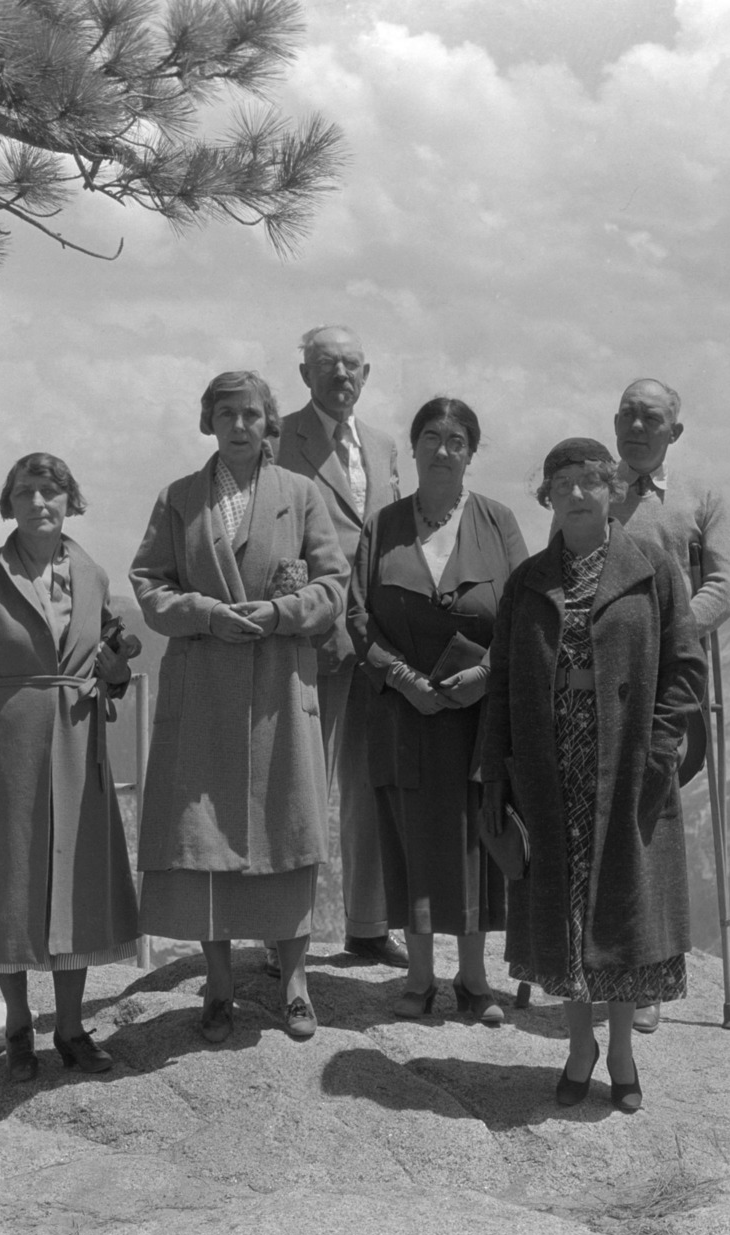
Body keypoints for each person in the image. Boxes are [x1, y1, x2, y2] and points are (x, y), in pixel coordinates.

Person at [478, 439, 706, 1111]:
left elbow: (684, 666)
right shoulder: (527, 582)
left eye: (589, 480)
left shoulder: (653, 570)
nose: (577, 493)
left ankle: (624, 1052)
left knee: (624, 918)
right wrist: (496, 773)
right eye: (562, 482)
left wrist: (659, 750)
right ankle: (579, 1050)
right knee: (565, 917)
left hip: (627, 771)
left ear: (612, 489)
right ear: (546, 494)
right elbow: (499, 684)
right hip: (551, 772)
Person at [130, 370, 349, 1042]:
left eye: (251, 414)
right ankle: (218, 981)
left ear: (268, 423)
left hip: (279, 688)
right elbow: (147, 582)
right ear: (208, 422)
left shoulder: (300, 494)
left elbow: (334, 583)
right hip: (202, 690)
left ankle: (294, 983)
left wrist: (282, 611)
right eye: (225, 414)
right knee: (204, 838)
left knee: (287, 831)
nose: (238, 426)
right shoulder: (179, 498)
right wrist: (202, 612)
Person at [0, 453, 141, 1082]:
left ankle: (72, 1026)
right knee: (10, 887)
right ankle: (20, 1023)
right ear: (9, 503)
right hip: (6, 756)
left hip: (79, 749)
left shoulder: (94, 574)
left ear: (70, 500)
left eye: (51, 491)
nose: (39, 503)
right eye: (25, 492)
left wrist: (116, 672)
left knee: (75, 890)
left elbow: (113, 677)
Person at [347, 397, 530, 1022]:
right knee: (412, 837)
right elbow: (357, 617)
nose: (443, 449)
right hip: (404, 712)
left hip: (479, 715)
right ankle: (420, 979)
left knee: (478, 837)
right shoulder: (383, 525)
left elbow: (524, 613)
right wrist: (402, 679)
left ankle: (474, 982)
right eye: (431, 437)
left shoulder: (498, 521)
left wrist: (485, 675)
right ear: (415, 447)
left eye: (456, 439)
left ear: (471, 453)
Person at [271, 324, 409, 973]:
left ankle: (369, 924)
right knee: (299, 790)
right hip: (312, 641)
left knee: (371, 782)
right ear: (304, 374)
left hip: (376, 641)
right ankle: (282, 933)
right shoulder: (280, 443)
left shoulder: (383, 447)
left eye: (352, 365)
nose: (341, 376)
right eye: (327, 365)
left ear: (367, 372)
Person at [609, 377, 730, 1034]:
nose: (637, 426)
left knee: (655, 817)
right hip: (600, 676)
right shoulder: (591, 489)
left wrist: (674, 627)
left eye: (650, 417)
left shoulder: (701, 500)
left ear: (674, 433)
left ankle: (647, 973)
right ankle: (597, 958)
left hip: (668, 676)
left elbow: (725, 583)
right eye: (628, 414)